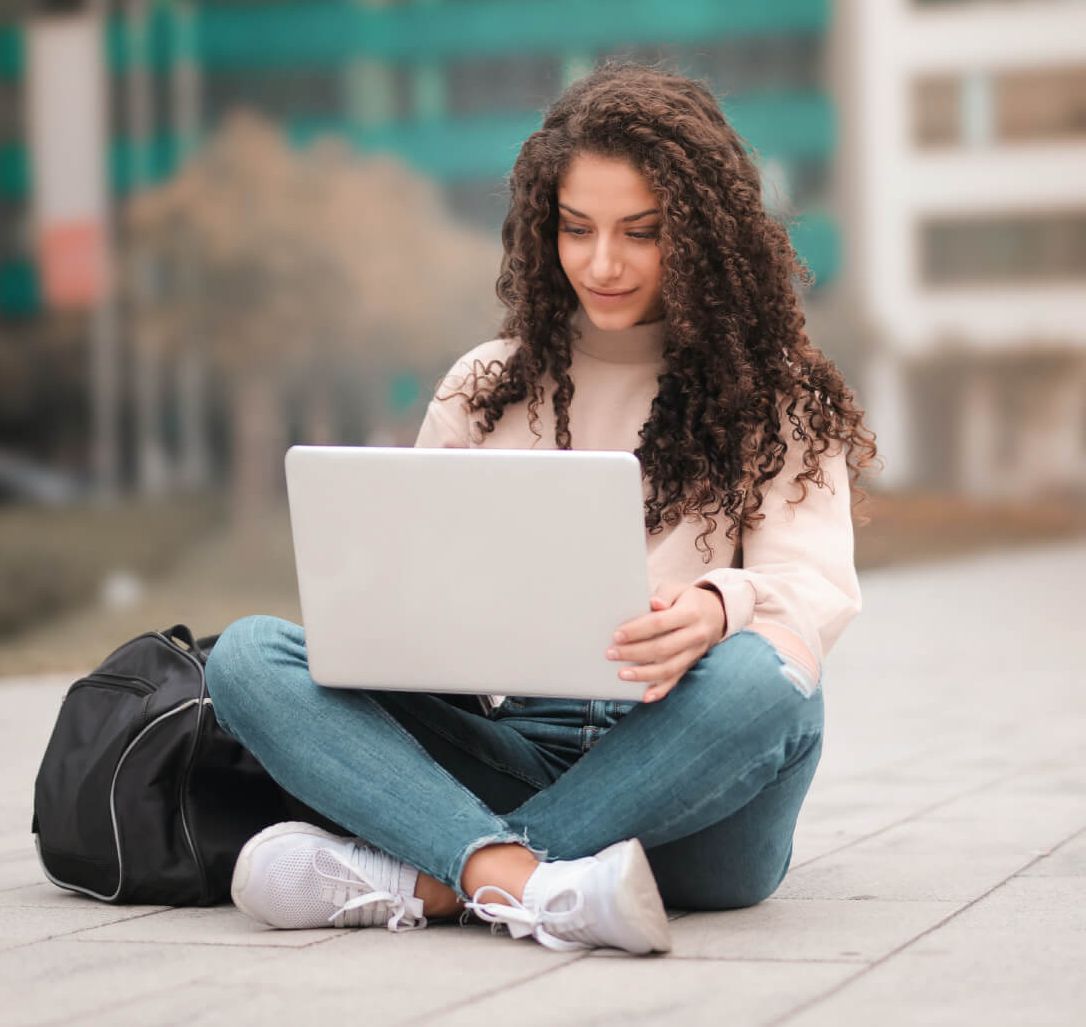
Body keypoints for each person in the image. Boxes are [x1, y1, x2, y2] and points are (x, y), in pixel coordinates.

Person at [206, 62, 877, 956]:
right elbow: (403, 582)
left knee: (777, 684)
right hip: (511, 744)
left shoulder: (776, 395)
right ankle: (536, 888)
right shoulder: (487, 385)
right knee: (249, 655)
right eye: (577, 229)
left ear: (707, 235)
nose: (602, 264)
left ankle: (444, 880)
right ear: (543, 228)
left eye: (642, 233)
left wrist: (722, 606)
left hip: (693, 785)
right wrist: (397, 621)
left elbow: (815, 586)